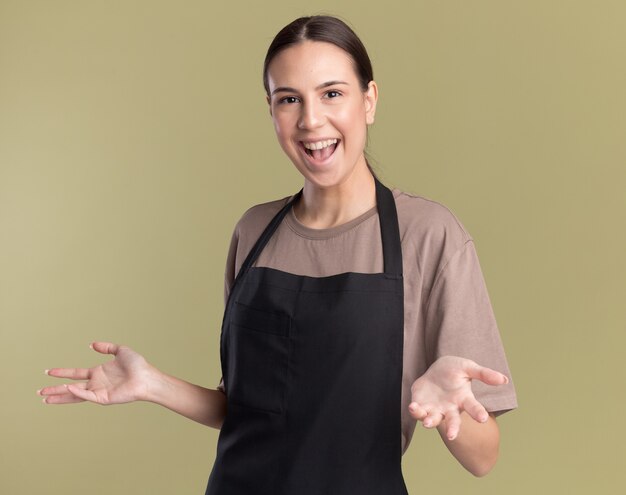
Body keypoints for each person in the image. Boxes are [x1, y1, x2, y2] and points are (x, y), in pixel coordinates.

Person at [37, 14, 517, 494]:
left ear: (368, 100)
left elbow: (484, 458)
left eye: (332, 93)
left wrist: (449, 406)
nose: (311, 120)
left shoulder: (430, 236)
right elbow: (246, 409)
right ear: (271, 110)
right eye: (289, 99)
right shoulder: (254, 231)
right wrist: (152, 385)